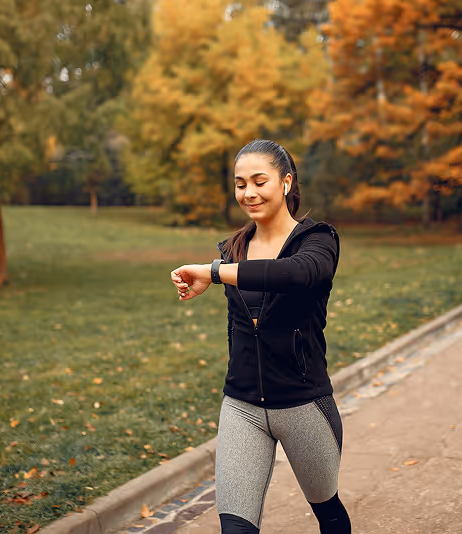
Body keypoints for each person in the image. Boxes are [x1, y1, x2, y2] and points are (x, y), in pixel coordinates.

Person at [169, 140, 351, 534]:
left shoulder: (317, 241)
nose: (248, 193)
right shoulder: (234, 248)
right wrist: (215, 273)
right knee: (236, 528)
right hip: (242, 407)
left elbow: (294, 274)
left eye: (259, 181)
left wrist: (215, 272)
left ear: (286, 182)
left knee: (328, 513)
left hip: (303, 406)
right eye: (239, 184)